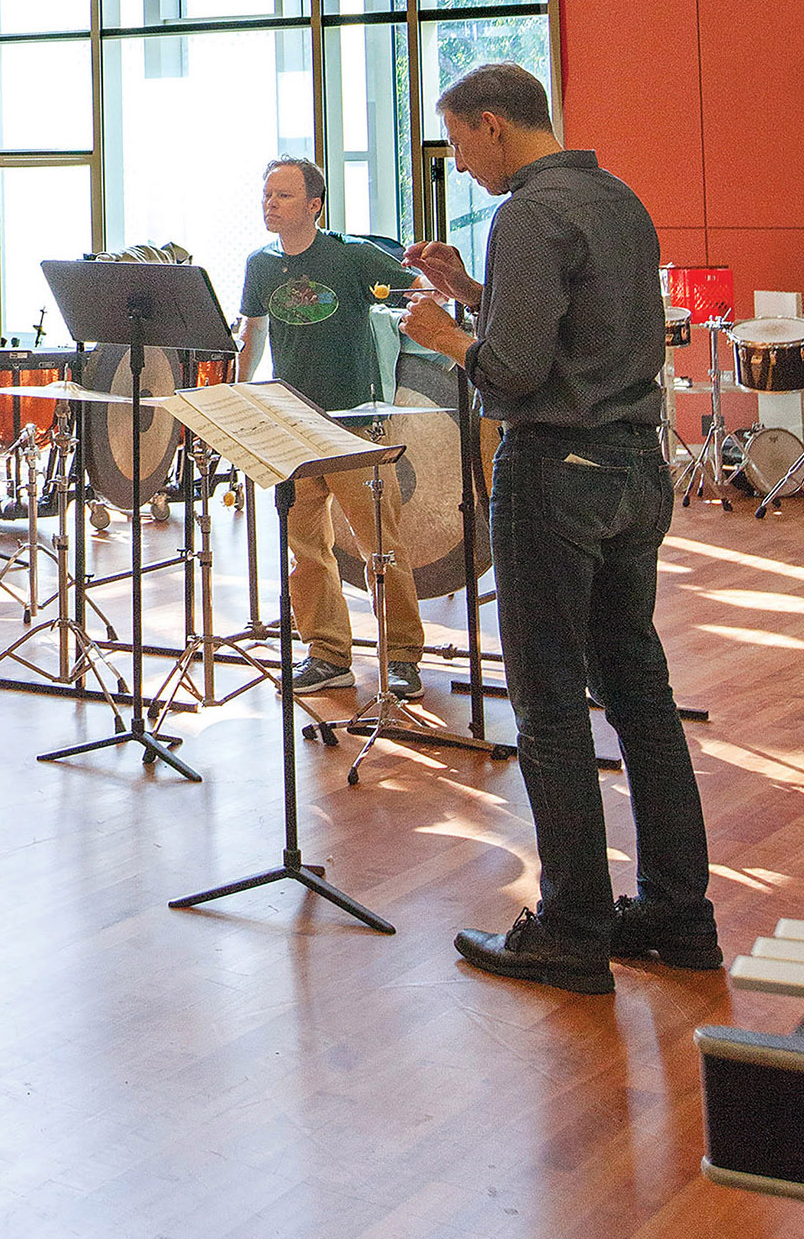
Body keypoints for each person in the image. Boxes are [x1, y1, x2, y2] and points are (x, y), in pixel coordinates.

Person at [400, 62, 719, 996]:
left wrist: (451, 338)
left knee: (545, 708)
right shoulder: (618, 200)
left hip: (556, 474)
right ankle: (677, 913)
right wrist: (470, 290)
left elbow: (514, 372)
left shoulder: (529, 214)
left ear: (494, 126)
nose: (461, 166)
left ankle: (573, 927)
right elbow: (578, 333)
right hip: (635, 466)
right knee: (640, 691)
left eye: (459, 144)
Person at [237, 156, 427, 701]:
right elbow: (254, 332)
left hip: (352, 425)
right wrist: (238, 394)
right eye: (267, 194)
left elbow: (419, 291)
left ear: (315, 205)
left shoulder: (350, 256)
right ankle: (327, 654)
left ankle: (402, 657)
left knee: (380, 549)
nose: (271, 204)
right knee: (306, 550)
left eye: (285, 196)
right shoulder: (260, 265)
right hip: (292, 429)